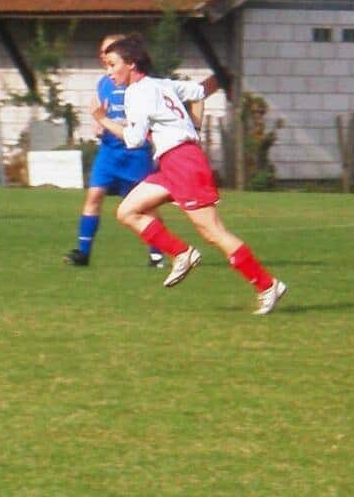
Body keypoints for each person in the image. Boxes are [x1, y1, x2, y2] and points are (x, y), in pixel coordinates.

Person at [92, 34, 287, 315]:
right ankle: (182, 253)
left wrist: (102, 119)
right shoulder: (159, 84)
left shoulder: (137, 93)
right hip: (173, 163)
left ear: (131, 64)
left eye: (112, 65)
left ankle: (268, 286)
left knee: (213, 232)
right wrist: (193, 126)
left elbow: (134, 140)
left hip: (183, 163)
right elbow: (197, 92)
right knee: (127, 212)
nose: (109, 72)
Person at [64, 34, 163, 268]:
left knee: (145, 206)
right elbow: (102, 111)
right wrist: (99, 124)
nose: (102, 55)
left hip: (135, 153)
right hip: (109, 151)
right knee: (94, 196)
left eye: (107, 50)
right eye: (102, 51)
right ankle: (83, 252)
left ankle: (157, 253)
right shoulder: (104, 82)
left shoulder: (143, 84)